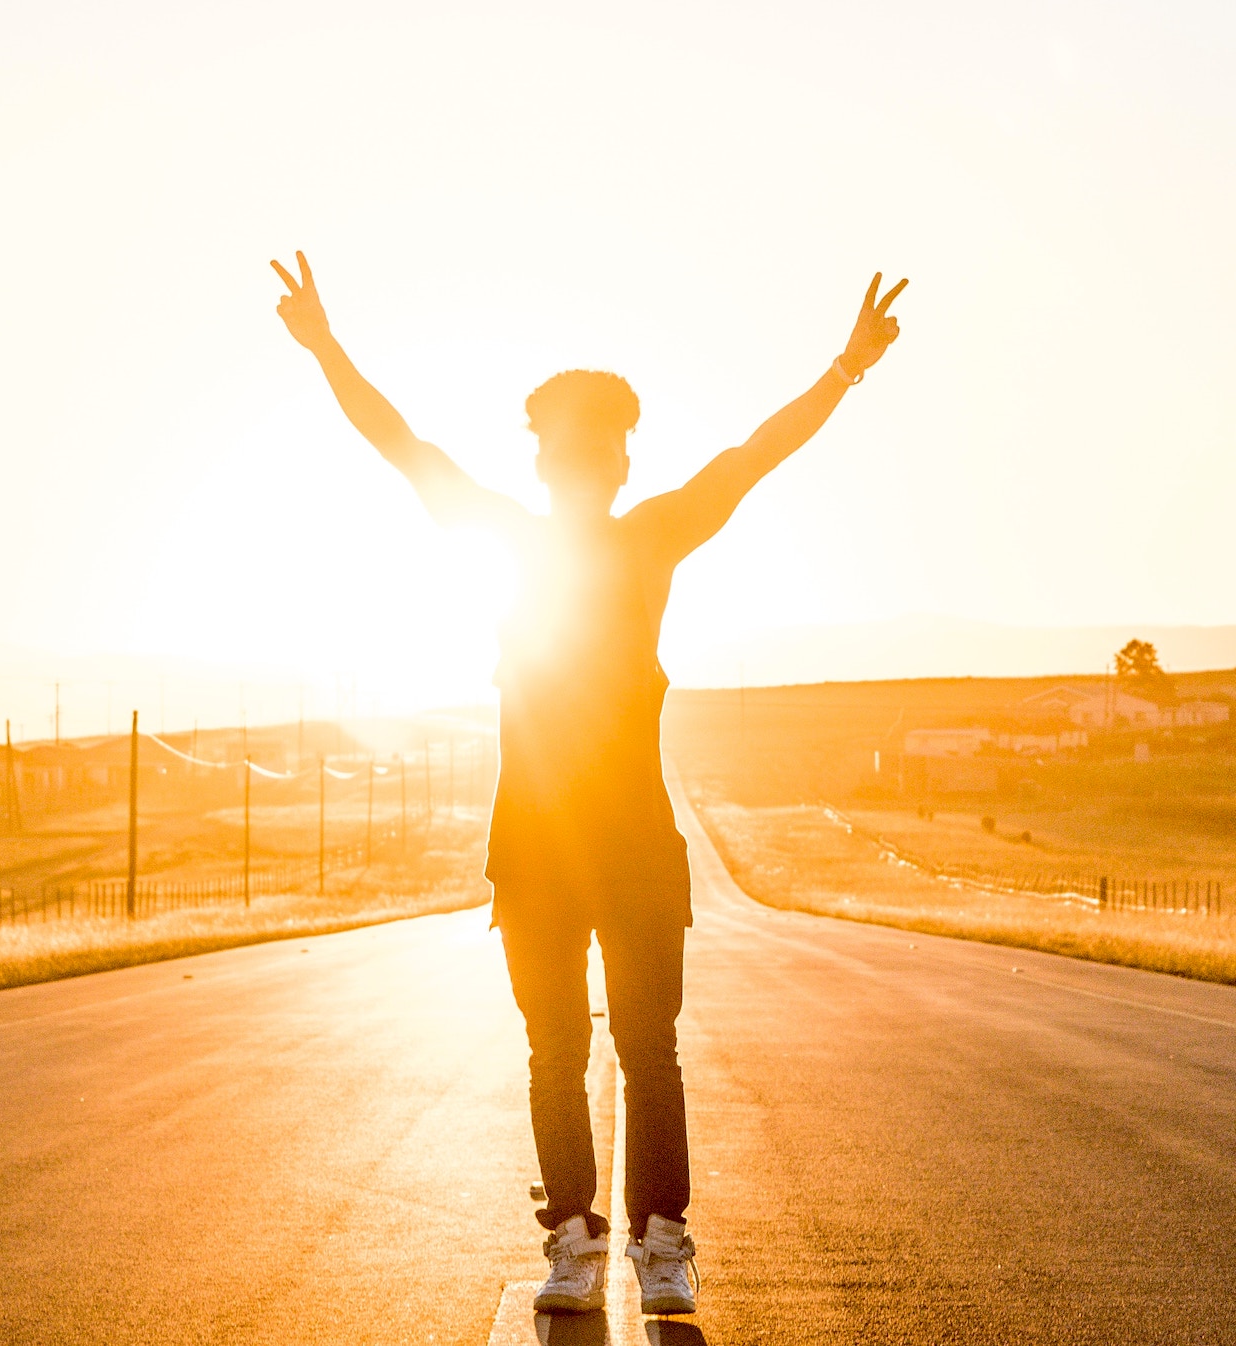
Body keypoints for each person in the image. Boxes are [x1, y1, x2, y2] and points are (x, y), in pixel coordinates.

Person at [271, 250, 906, 1315]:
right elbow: (400, 444)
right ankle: (574, 1234)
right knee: (557, 1047)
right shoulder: (517, 541)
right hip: (532, 846)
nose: (584, 459)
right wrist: (326, 346)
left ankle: (661, 1241)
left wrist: (845, 367)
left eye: (599, 442)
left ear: (618, 460)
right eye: (568, 443)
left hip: (632, 847)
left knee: (642, 1047)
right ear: (552, 462)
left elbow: (754, 455)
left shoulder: (648, 536)